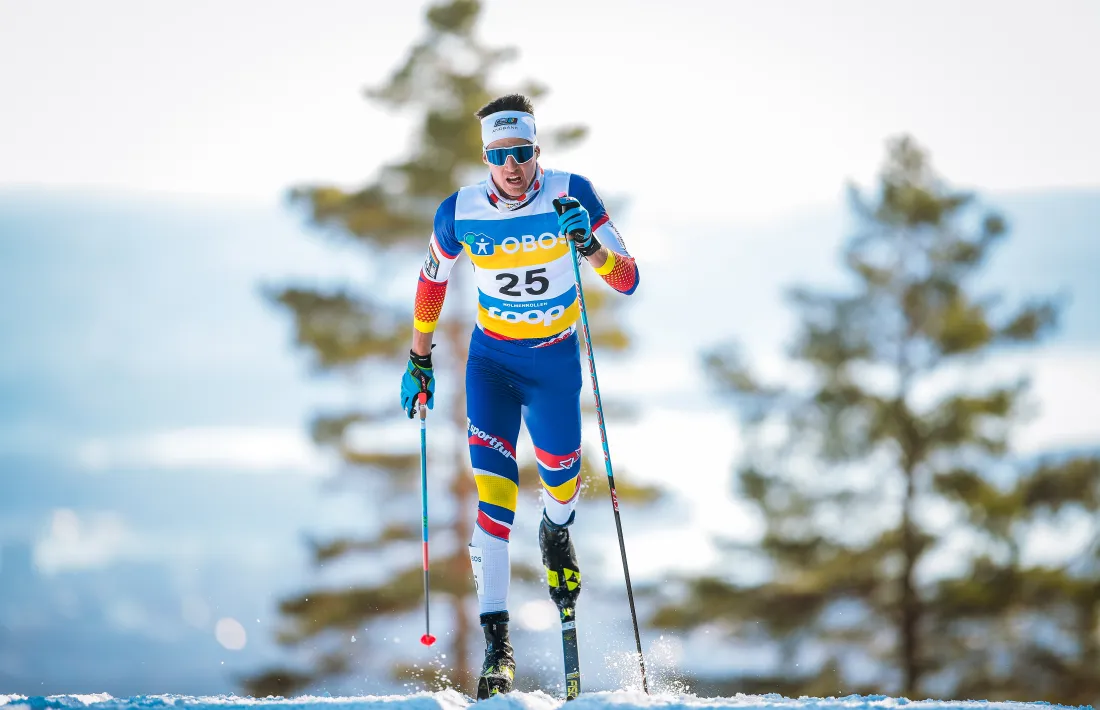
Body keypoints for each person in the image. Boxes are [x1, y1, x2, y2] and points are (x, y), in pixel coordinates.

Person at [399, 94, 639, 697]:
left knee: (563, 483)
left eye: (522, 152)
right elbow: (431, 280)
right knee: (495, 497)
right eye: (499, 155)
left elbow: (628, 278)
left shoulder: (572, 192)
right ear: (486, 157)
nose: (512, 166)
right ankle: (498, 645)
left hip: (554, 364)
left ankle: (556, 531)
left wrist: (590, 247)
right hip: (493, 365)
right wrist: (419, 358)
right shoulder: (459, 211)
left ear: (537, 149)